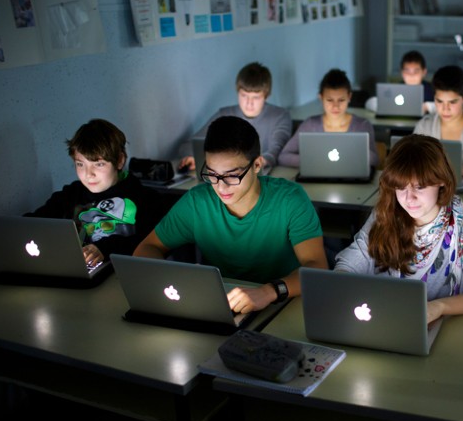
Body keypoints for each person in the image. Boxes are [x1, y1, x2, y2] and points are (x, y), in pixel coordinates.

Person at [134, 116, 329, 314]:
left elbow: (317, 267)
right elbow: (147, 248)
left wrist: (270, 291)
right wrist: (176, 278)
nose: (220, 186)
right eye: (212, 174)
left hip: (283, 303)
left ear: (257, 165)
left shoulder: (290, 199)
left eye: (232, 175)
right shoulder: (197, 202)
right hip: (221, 306)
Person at [334, 134, 463, 324]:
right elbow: (348, 265)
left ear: (441, 181)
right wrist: (342, 284)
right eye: (401, 187)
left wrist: (438, 307)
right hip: (387, 320)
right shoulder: (385, 214)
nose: (409, 198)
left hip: (445, 326)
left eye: (419, 187)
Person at [26, 119, 166, 266]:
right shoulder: (70, 194)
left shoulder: (147, 199)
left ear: (119, 160)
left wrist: (105, 248)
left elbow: (150, 244)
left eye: (98, 164)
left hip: (124, 274)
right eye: (80, 164)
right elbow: (33, 223)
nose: (88, 174)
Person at [178, 62, 292, 172]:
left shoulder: (280, 116)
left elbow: (275, 151)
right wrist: (191, 156)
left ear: (266, 96)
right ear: (238, 92)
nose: (249, 103)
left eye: (256, 97)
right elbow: (190, 144)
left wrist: (262, 161)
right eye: (244, 96)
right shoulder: (224, 115)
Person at [279, 68, 378, 168]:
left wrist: (351, 155)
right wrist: (310, 161)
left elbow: (374, 159)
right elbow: (283, 157)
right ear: (321, 98)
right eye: (330, 100)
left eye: (341, 100)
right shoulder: (309, 125)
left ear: (349, 97)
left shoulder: (362, 126)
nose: (335, 106)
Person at [365, 50, 436, 114]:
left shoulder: (432, 89)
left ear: (424, 72)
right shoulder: (395, 89)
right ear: (402, 73)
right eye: (407, 71)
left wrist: (427, 106)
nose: (411, 75)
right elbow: (369, 103)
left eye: (416, 71)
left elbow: (444, 105)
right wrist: (387, 106)